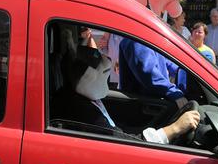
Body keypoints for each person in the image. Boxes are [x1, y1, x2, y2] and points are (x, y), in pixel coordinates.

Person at [54, 44, 200, 144]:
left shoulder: (86, 98)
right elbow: (129, 143)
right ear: (87, 76)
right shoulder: (84, 111)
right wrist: (174, 129)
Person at [120, 0, 208, 108]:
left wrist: (188, 71)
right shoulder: (137, 31)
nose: (177, 3)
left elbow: (166, 61)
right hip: (141, 112)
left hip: (152, 107)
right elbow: (148, 72)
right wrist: (172, 92)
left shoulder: (148, 27)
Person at [98, 0, 133, 89]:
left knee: (123, 73)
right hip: (113, 41)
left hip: (125, 41)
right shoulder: (113, 4)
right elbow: (109, 23)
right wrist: (105, 38)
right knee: (111, 72)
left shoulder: (132, 5)